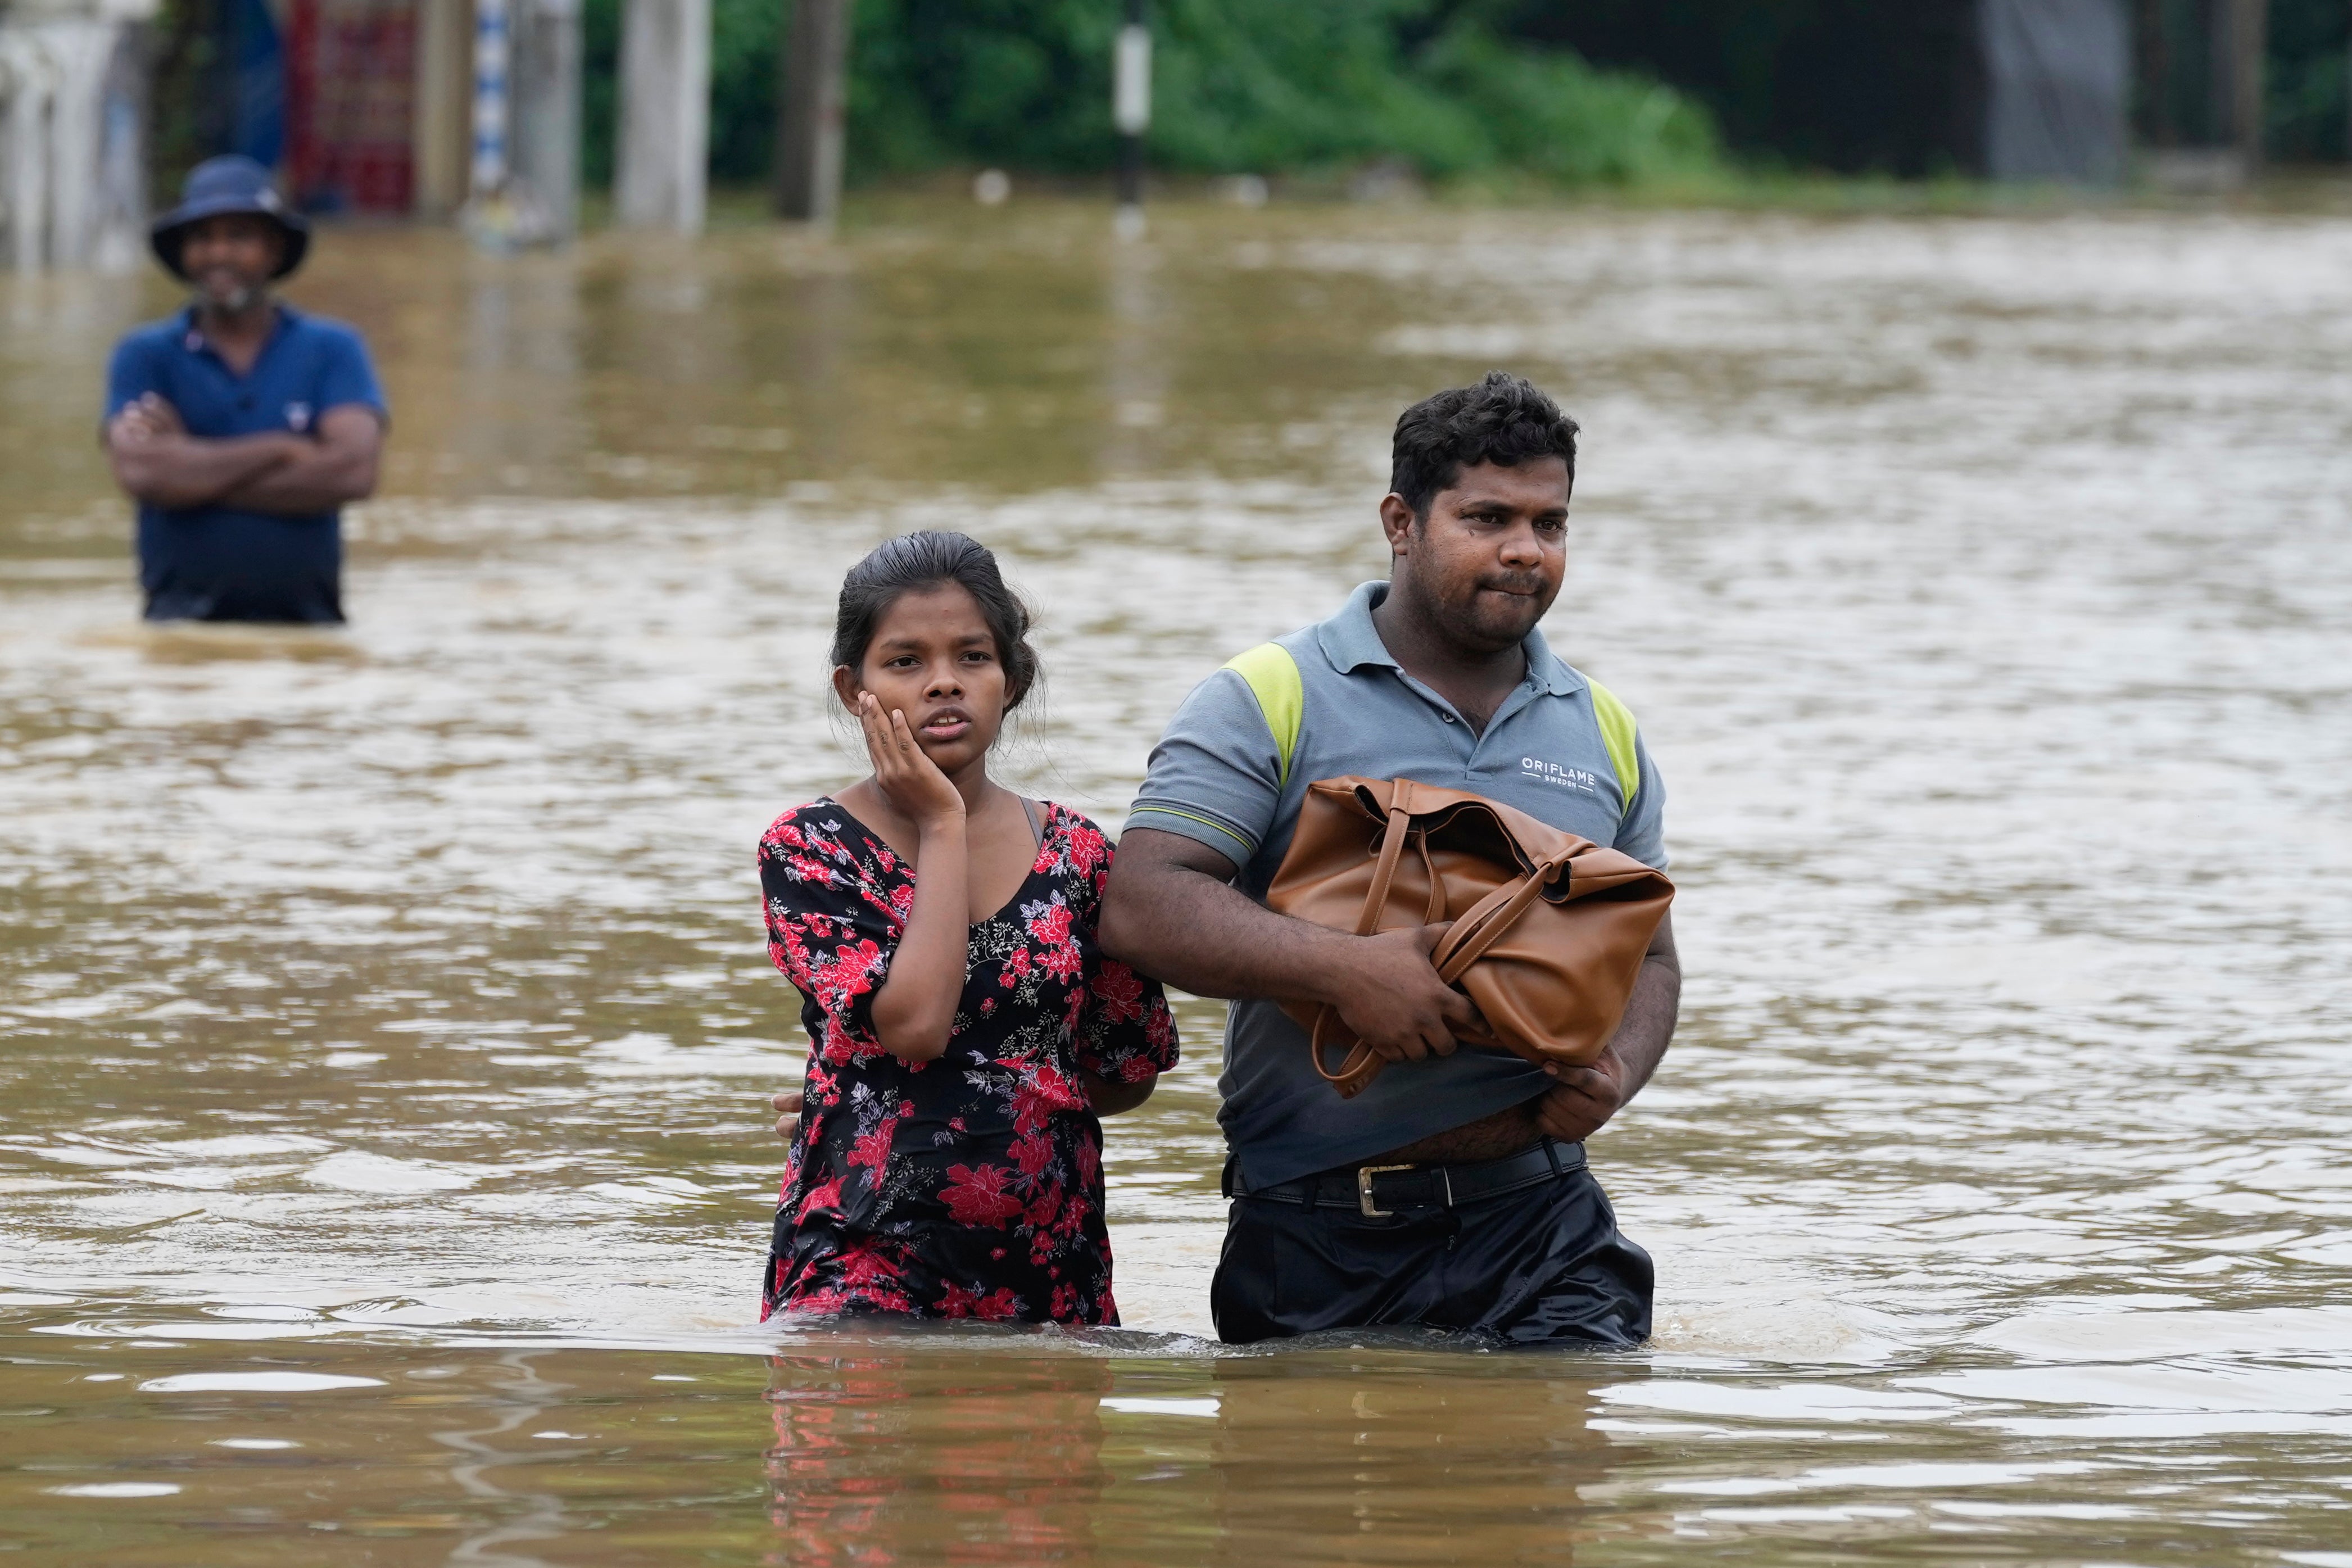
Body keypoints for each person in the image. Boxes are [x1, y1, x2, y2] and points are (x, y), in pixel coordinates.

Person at [1097, 371, 1679, 1347]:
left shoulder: (1604, 729)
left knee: (1566, 1485)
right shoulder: (1268, 695)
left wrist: (1618, 1070)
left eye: (1551, 523)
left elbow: (1652, 960)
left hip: (1546, 1227)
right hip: (1317, 1230)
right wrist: (1347, 971)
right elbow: (1143, 904)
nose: (1525, 551)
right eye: (1488, 517)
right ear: (1401, 522)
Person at [757, 531, 1179, 1325]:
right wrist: (943, 825)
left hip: (1050, 1267)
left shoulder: (1079, 854)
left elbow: (1126, 1070)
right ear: (855, 689)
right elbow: (914, 1028)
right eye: (906, 661)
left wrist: (978, 1093)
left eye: (973, 658)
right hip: (862, 1258)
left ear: (1013, 678)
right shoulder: (811, 850)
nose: (943, 682)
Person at [102, 155, 386, 624]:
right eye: (202, 238)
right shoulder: (145, 354)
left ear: (274, 250)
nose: (219, 255)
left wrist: (189, 468)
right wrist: (284, 448)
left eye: (239, 237)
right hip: (178, 638)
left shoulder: (333, 348)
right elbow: (142, 475)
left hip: (309, 635)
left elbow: (353, 473)